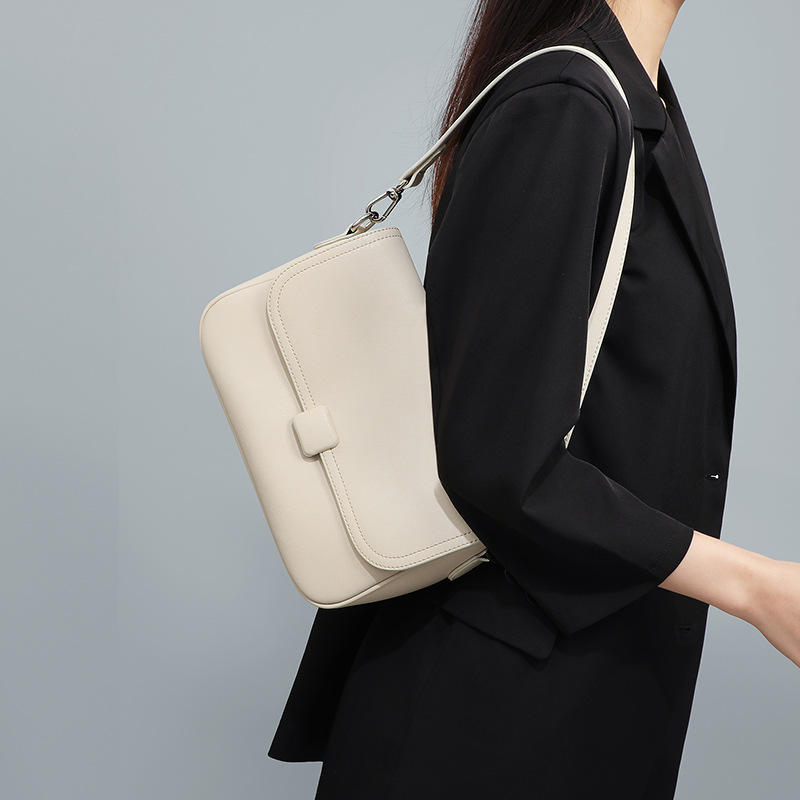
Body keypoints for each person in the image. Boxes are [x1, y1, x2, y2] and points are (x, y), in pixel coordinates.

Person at [268, 1, 800, 797]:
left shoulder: (630, 97)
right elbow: (500, 462)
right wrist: (756, 589)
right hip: (485, 721)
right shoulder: (565, 105)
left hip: (569, 705)